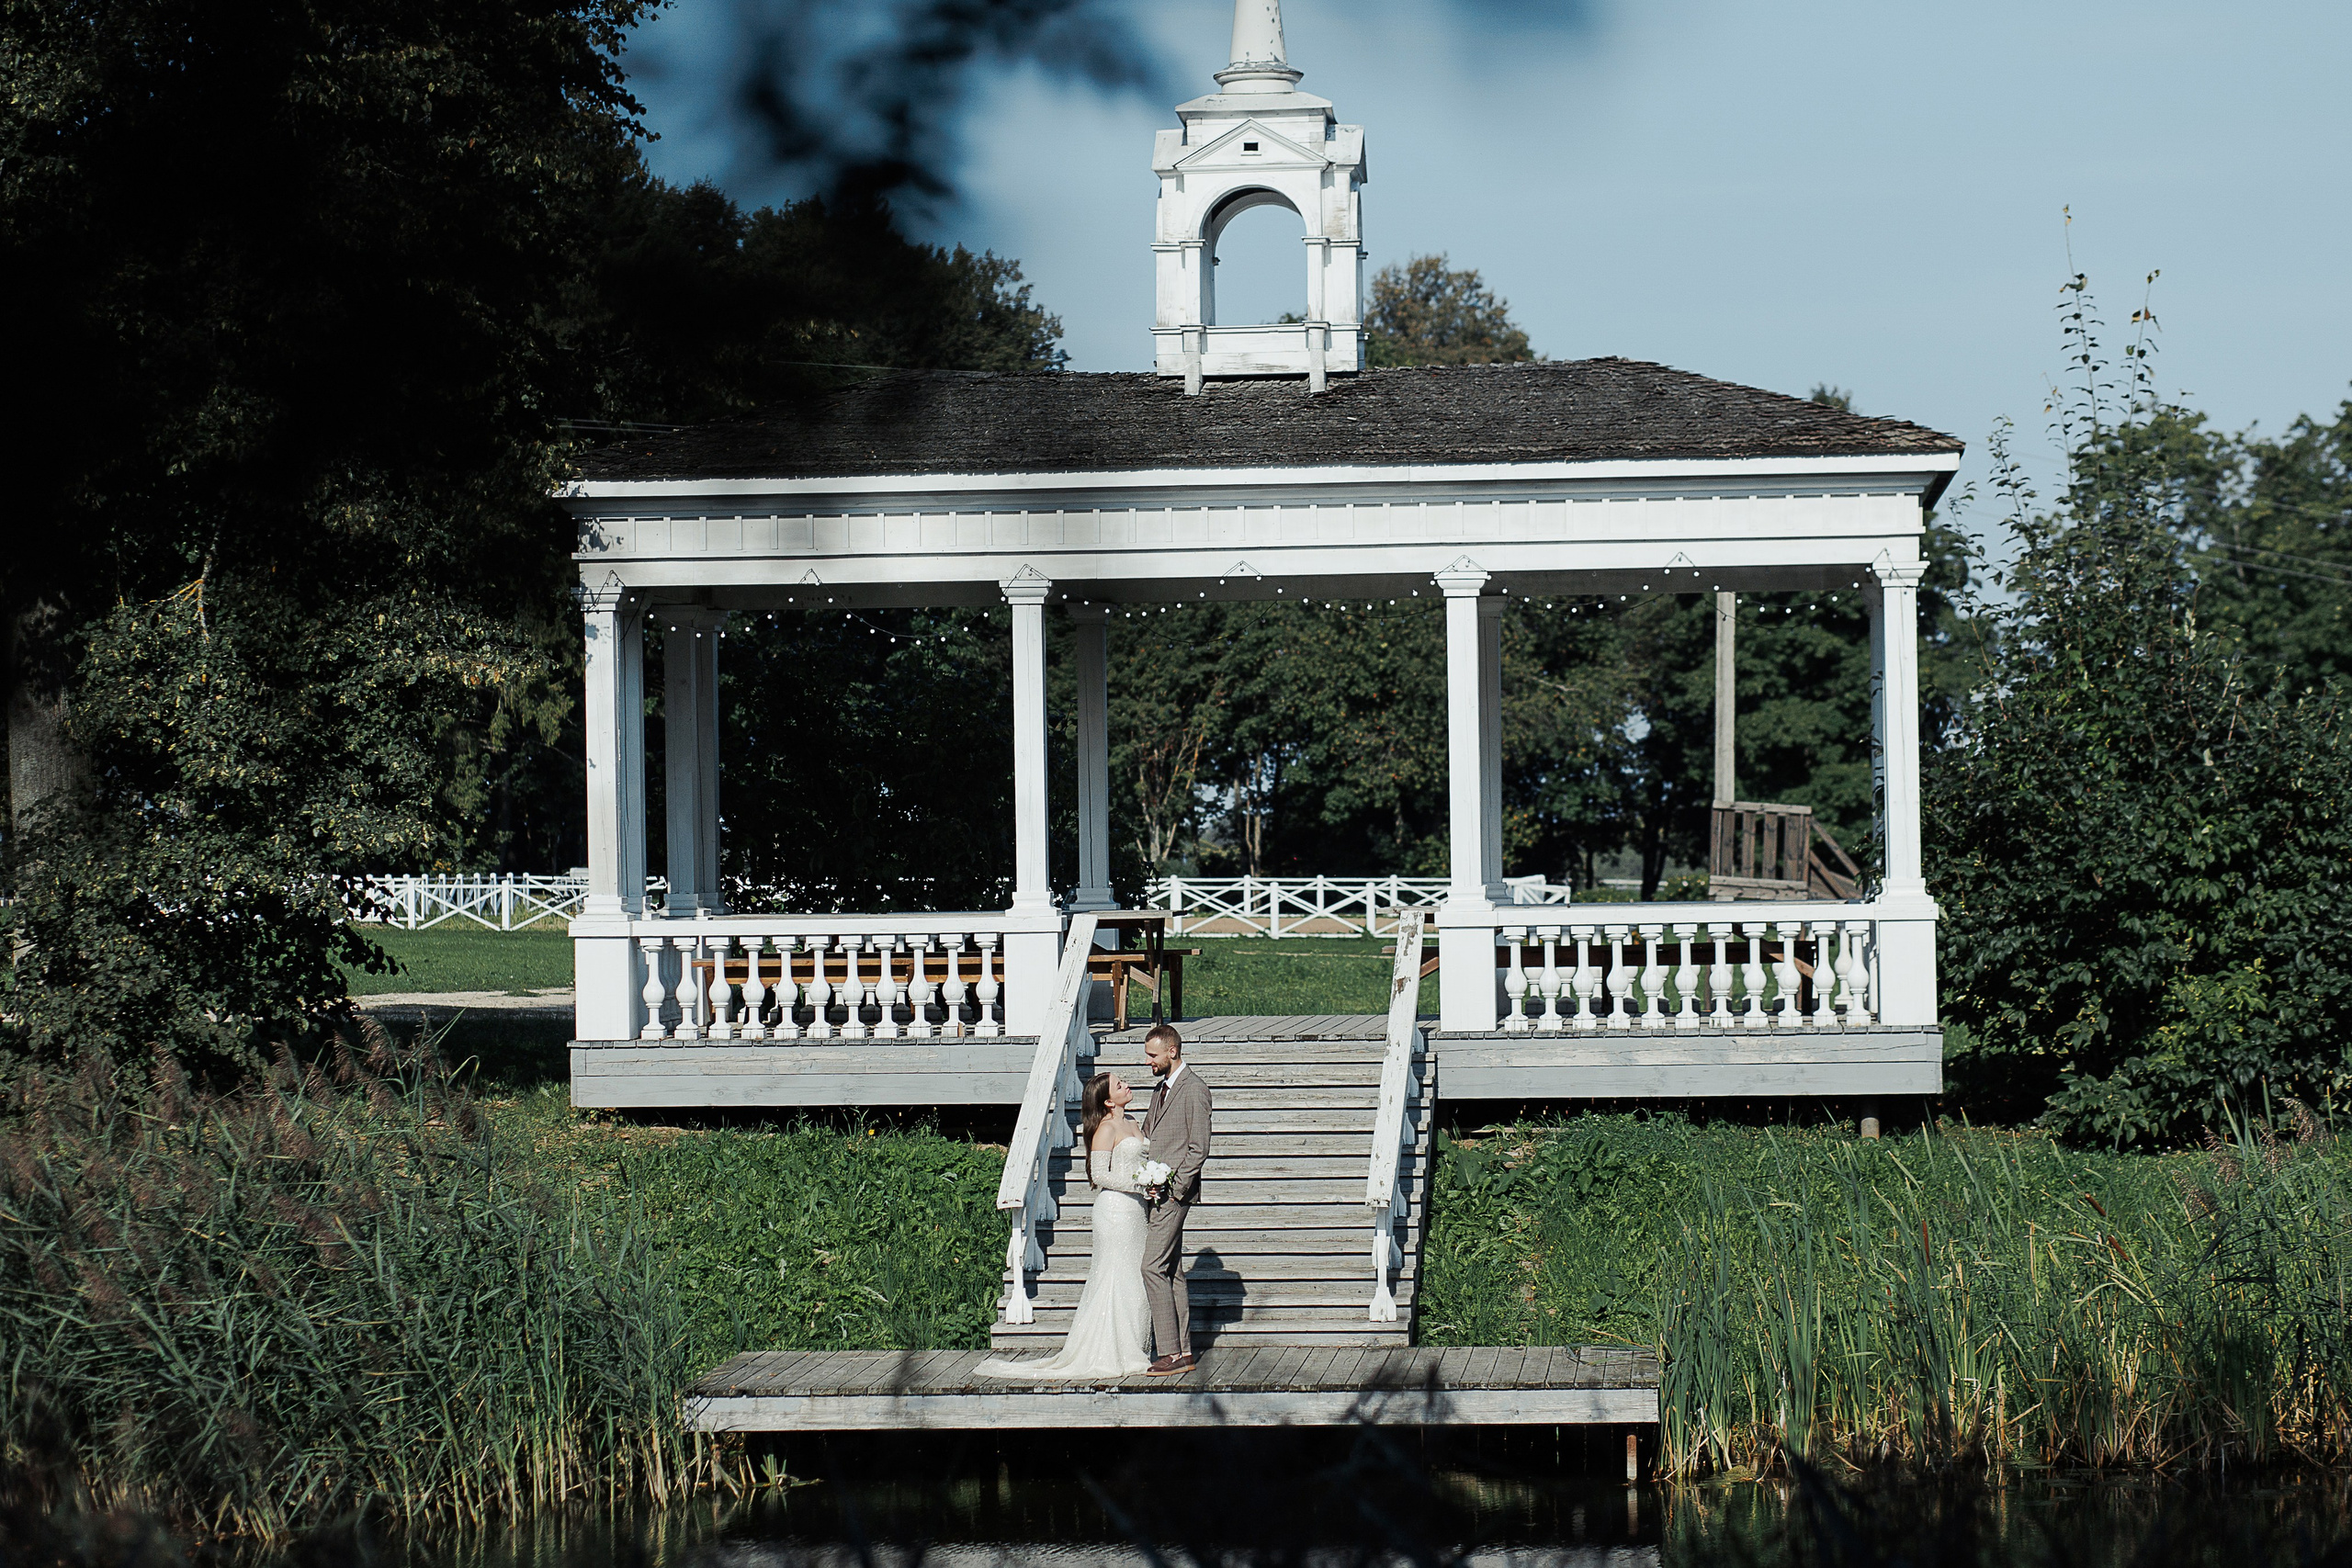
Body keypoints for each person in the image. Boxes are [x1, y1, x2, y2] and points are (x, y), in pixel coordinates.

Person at [975, 1071, 1154, 1380]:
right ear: (1108, 1101)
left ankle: (1135, 1345)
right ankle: (1113, 1350)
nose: (1126, 1084)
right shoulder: (1105, 1129)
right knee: (1115, 1274)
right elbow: (1099, 1175)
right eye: (1119, 1085)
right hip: (1115, 1210)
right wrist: (1139, 1185)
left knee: (1136, 1277)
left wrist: (1152, 1180)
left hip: (1138, 1212)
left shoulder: (1134, 1124)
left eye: (1123, 1080)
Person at [1138, 1021, 1212, 1376]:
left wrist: (1174, 1187)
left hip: (1175, 1194)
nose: (1148, 1062)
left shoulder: (1195, 1090)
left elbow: (1199, 1149)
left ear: (1172, 1051)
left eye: (1152, 1055)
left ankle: (1167, 1351)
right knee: (1172, 1271)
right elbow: (1149, 1136)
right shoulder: (1160, 1090)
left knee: (1150, 1266)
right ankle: (1183, 1351)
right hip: (1156, 1191)